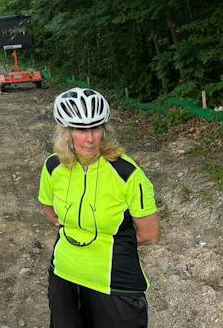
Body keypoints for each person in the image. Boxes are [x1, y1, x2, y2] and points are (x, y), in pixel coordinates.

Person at [38, 88, 160, 327]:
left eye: (95, 128)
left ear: (105, 130)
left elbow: (150, 234)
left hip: (114, 279)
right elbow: (48, 208)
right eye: (81, 130)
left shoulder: (127, 173)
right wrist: (66, 225)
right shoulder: (53, 166)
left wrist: (109, 241)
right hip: (65, 273)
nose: (90, 138)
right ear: (66, 133)